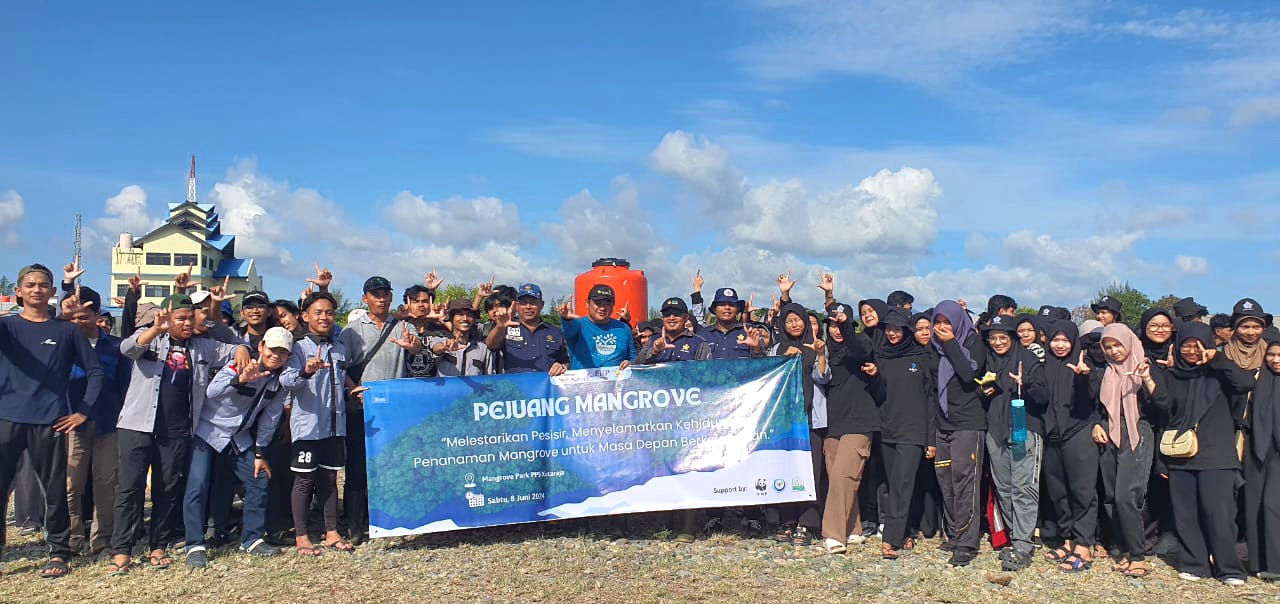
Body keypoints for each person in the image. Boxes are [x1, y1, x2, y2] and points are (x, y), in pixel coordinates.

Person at [109, 294, 249, 575]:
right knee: (130, 488)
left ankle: (159, 544)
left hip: (177, 430)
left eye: (189, 317)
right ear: (168, 317)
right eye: (180, 318)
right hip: (138, 425)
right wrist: (155, 329)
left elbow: (231, 348)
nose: (186, 323)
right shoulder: (151, 337)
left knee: (168, 488)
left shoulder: (202, 347)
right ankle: (122, 548)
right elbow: (127, 349)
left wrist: (242, 348)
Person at [0, 264, 104, 578]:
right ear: (18, 291)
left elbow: (95, 372)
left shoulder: (67, 331)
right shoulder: (6, 328)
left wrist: (83, 410)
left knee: (56, 490)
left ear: (52, 292)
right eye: (30, 285)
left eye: (43, 285)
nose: (36, 289)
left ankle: (58, 552)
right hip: (6, 418)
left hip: (51, 421)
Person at [1150, 322, 1255, 585]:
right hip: (1181, 455)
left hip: (1217, 456)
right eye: (1186, 345)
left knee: (1219, 514)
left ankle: (1229, 568)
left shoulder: (1219, 373)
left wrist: (1217, 358)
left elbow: (1245, 383)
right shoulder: (1172, 375)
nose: (1192, 350)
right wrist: (1148, 381)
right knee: (1186, 514)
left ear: (1207, 343)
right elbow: (1165, 410)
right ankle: (1194, 563)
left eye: (1197, 344)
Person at [183, 327, 294, 568]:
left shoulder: (279, 381)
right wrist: (240, 379)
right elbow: (212, 391)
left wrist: (260, 452)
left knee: (259, 479)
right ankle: (194, 544)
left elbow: (270, 419)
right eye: (273, 350)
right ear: (262, 346)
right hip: (208, 431)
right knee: (198, 486)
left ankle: (252, 539)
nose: (276, 356)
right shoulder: (240, 363)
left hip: (238, 437)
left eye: (283, 353)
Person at [339, 275, 421, 545]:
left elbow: (418, 353)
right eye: (376, 294)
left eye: (386, 293)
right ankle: (355, 524)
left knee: (392, 464)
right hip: (362, 408)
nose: (382, 299)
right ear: (365, 299)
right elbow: (341, 366)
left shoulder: (403, 326)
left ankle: (389, 519)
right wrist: (353, 389)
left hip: (394, 410)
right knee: (358, 468)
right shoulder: (352, 330)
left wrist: (414, 347)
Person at [279, 291, 358, 556]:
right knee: (303, 481)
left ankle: (331, 531)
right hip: (308, 426)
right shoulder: (298, 348)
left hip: (335, 425)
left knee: (329, 477)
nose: (324, 317)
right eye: (318, 312)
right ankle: (301, 535)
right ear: (305, 316)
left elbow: (341, 379)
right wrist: (306, 371)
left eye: (329, 313)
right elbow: (287, 382)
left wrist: (352, 391)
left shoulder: (339, 347)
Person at [63, 286, 130, 557]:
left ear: (97, 315)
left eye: (84, 317)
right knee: (71, 483)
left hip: (107, 423)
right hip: (71, 424)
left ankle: (102, 539)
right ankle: (71, 536)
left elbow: (125, 386)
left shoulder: (115, 347)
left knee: (105, 483)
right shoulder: (64, 346)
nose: (78, 322)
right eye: (74, 318)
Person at [979, 314, 1048, 571]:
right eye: (993, 338)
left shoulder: (1028, 359)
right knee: (1004, 488)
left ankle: (1023, 542)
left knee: (1024, 487)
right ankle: (1013, 534)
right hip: (996, 431)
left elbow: (1043, 397)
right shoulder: (988, 360)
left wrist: (1025, 383)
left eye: (1002, 337)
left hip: (1024, 429)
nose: (997, 342)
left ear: (1013, 338)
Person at [870, 308, 934, 560]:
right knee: (894, 484)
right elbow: (877, 394)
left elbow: (930, 399)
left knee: (902, 485)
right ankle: (906, 531)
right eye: (889, 329)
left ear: (906, 331)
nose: (892, 333)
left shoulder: (921, 357)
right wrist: (874, 377)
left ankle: (891, 539)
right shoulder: (881, 356)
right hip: (888, 430)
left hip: (914, 431)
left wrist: (931, 438)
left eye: (897, 329)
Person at [1039, 321, 1102, 573]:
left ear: (1074, 341)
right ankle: (1067, 539)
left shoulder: (1086, 364)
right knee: (1058, 490)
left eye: (1066, 340)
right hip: (1052, 434)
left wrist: (1084, 378)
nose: (1060, 345)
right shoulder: (1043, 366)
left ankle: (1084, 544)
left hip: (1079, 432)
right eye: (1056, 339)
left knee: (1083, 490)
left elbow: (1091, 401)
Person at [930, 300, 988, 567]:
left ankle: (966, 541)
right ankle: (954, 533)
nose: (942, 328)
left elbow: (968, 373)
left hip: (967, 423)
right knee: (946, 479)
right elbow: (931, 393)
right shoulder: (933, 349)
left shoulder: (972, 343)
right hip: (943, 425)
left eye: (947, 322)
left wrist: (952, 343)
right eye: (938, 322)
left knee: (965, 481)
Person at [772, 300, 827, 549]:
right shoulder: (776, 349)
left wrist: (820, 354)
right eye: (789, 320)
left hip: (810, 419)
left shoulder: (815, 347)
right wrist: (783, 358)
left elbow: (823, 377)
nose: (794, 324)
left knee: (810, 472)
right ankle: (786, 520)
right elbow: (766, 375)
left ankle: (807, 523)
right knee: (785, 470)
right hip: (784, 421)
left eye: (798, 319)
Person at [1245, 340, 1280, 579]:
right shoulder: (1259, 379)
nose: (1275, 360)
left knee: (1272, 505)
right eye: (1271, 355)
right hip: (1258, 450)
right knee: (1254, 507)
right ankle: (1258, 562)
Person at [485, 283, 568, 376]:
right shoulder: (505, 328)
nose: (528, 307)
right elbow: (491, 345)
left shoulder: (556, 332)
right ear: (516, 306)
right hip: (516, 389)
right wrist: (499, 327)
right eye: (523, 303)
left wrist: (563, 366)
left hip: (547, 389)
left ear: (542, 305)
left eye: (533, 303)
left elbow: (566, 361)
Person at [556, 284, 634, 370]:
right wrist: (566, 319)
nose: (602, 308)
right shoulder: (578, 325)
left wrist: (630, 363)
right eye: (598, 303)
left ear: (613, 305)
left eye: (607, 304)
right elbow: (568, 331)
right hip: (584, 382)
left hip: (616, 382)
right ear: (587, 303)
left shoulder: (624, 328)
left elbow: (632, 357)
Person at [427, 300, 493, 376]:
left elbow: (488, 378)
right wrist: (443, 347)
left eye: (469, 315)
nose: (465, 318)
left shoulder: (483, 349)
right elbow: (436, 348)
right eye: (460, 314)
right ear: (451, 318)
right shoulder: (440, 340)